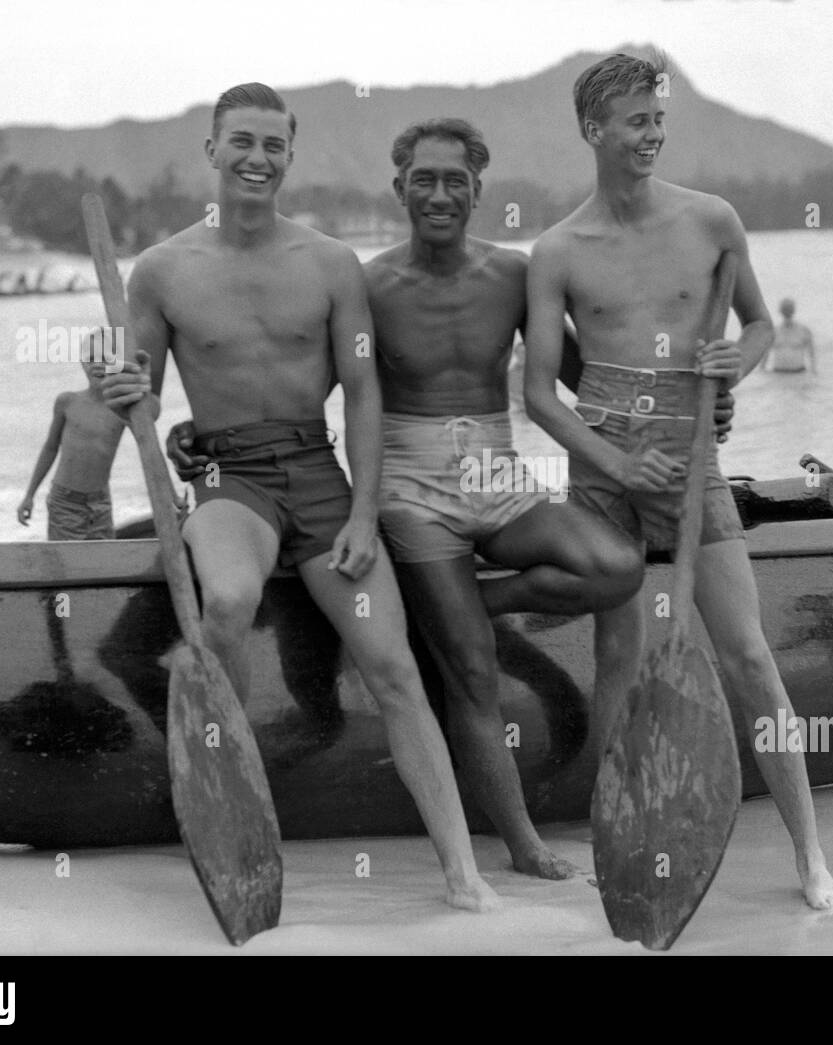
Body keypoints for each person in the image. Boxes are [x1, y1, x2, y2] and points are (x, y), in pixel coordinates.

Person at [167, 117, 735, 881]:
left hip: (495, 473)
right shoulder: (364, 284)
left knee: (617, 567)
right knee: (469, 668)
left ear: (478, 190)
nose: (439, 194)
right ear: (399, 188)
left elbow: (588, 378)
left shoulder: (513, 275)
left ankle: (465, 599)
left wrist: (695, 406)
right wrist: (199, 436)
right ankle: (522, 840)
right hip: (408, 482)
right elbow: (297, 384)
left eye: (455, 181)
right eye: (423, 180)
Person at [99, 83, 497, 912]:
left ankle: (462, 872)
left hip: (318, 477)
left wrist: (360, 514)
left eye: (273, 144)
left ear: (290, 153)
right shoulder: (164, 269)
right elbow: (135, 387)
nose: (257, 158)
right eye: (241, 141)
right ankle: (226, 800)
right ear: (212, 150)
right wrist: (110, 379)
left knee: (392, 666)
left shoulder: (329, 265)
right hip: (226, 478)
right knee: (232, 600)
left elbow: (362, 394)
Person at [523, 53, 833, 910]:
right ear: (594, 129)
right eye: (636, 121)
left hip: (692, 459)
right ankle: (626, 843)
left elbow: (757, 330)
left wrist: (729, 368)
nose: (652, 135)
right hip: (602, 475)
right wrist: (619, 457)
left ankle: (812, 857)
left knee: (747, 655)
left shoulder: (712, 222)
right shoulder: (556, 250)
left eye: (659, 119)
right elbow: (538, 392)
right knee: (620, 659)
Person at [18, 357, 124, 539]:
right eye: (91, 359)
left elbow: (148, 449)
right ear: (83, 364)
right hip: (65, 502)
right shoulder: (68, 402)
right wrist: (29, 495)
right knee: (65, 563)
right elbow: (50, 447)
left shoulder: (122, 408)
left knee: (105, 562)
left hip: (100, 504)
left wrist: (168, 496)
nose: (98, 365)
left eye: (106, 359)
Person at [764, 297, 816, 373]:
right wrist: (762, 372)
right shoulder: (773, 332)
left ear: (793, 310)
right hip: (777, 374)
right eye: (785, 309)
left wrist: (813, 371)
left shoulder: (804, 330)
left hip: (798, 373)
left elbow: (812, 354)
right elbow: (765, 355)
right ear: (781, 311)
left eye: (789, 309)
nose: (787, 311)